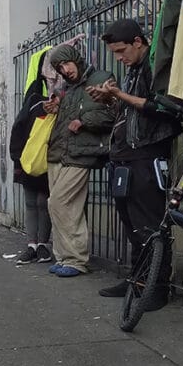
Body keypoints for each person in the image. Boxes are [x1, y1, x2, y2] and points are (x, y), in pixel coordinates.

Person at [87, 19, 182, 308]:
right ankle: (138, 280)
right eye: (115, 53)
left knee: (151, 224)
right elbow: (130, 111)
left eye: (121, 51)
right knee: (132, 225)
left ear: (138, 42)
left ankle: (157, 288)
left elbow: (164, 107)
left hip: (148, 154)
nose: (119, 58)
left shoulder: (156, 65)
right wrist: (109, 100)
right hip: (126, 155)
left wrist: (118, 94)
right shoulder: (133, 70)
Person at [42, 44, 117, 277]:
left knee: (60, 203)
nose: (65, 70)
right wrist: (56, 108)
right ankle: (63, 257)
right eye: (59, 67)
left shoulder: (101, 78)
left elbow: (111, 113)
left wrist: (83, 120)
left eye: (66, 63)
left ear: (75, 58)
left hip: (80, 153)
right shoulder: (68, 88)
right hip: (59, 152)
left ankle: (76, 260)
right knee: (59, 206)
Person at [9, 49, 61, 264]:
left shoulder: (63, 100)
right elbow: (19, 129)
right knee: (32, 202)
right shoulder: (34, 100)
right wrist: (17, 159)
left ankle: (42, 244)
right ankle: (32, 244)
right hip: (29, 160)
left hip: (50, 161)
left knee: (43, 202)